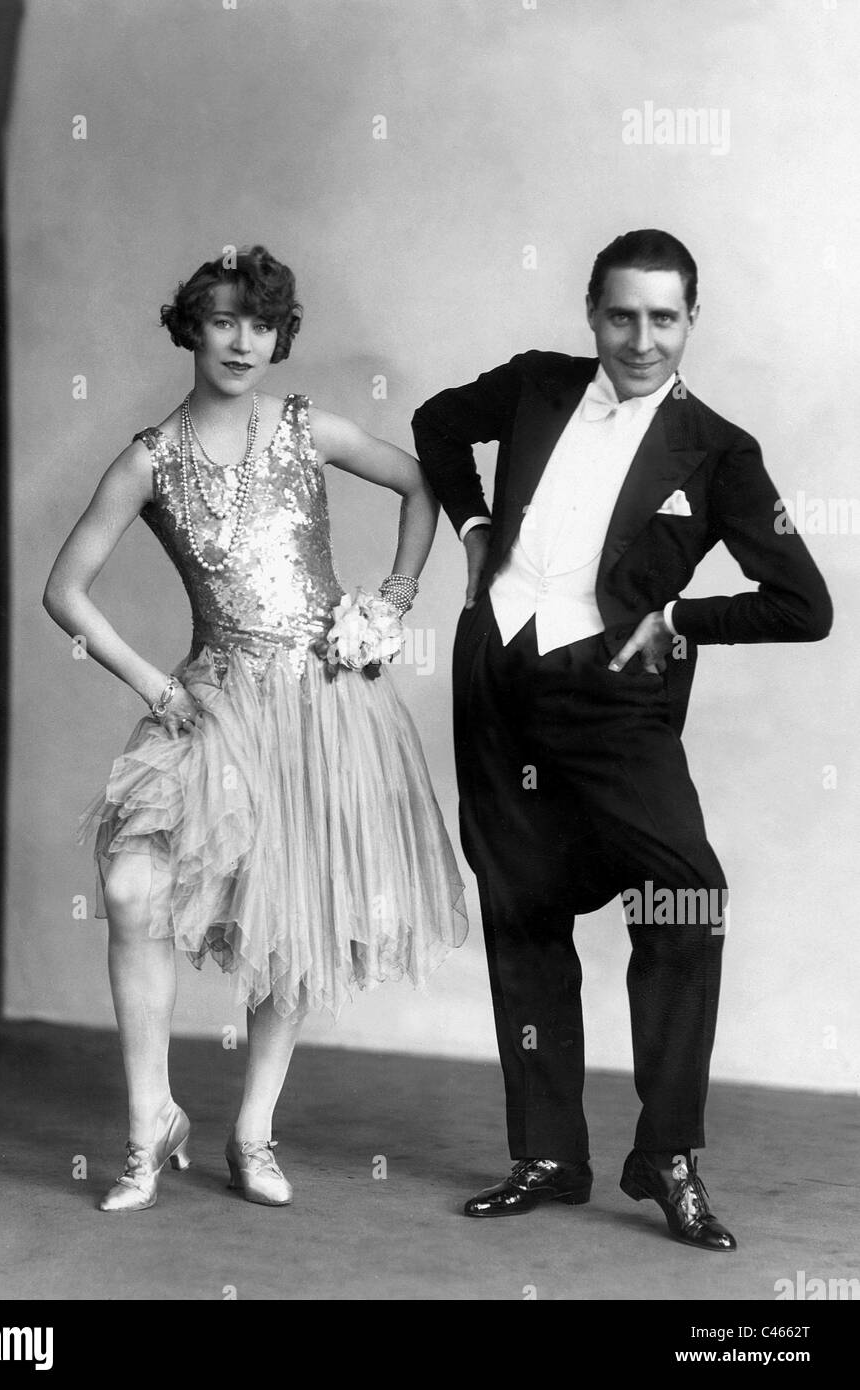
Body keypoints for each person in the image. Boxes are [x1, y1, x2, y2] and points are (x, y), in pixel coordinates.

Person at [411, 228, 832, 1251]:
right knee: (522, 911)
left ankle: (668, 1153)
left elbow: (803, 603)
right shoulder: (534, 388)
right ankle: (547, 1156)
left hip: (614, 706)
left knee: (685, 897)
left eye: (662, 317)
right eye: (619, 315)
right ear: (590, 313)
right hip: (500, 685)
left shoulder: (720, 452)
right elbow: (433, 423)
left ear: (693, 319)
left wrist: (680, 620)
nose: (639, 338)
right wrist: (470, 528)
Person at [43, 245, 467, 1213]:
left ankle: (251, 1132)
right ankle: (150, 1121)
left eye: (260, 324)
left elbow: (422, 484)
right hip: (216, 698)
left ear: (281, 335)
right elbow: (64, 589)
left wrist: (391, 599)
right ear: (191, 326)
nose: (242, 340)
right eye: (224, 319)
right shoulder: (149, 457)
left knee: (293, 907)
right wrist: (156, 684)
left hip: (324, 702)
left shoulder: (306, 429)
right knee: (132, 885)